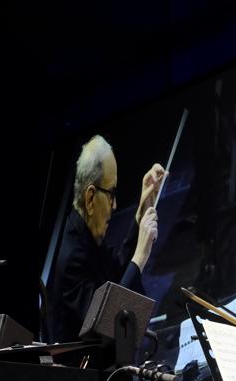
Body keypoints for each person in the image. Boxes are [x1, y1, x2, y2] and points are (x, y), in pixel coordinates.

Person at [44, 135, 166, 343]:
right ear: (90, 197)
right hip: (83, 372)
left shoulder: (83, 231)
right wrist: (141, 254)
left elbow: (117, 272)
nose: (115, 204)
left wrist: (139, 216)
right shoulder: (72, 258)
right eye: (110, 193)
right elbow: (109, 323)